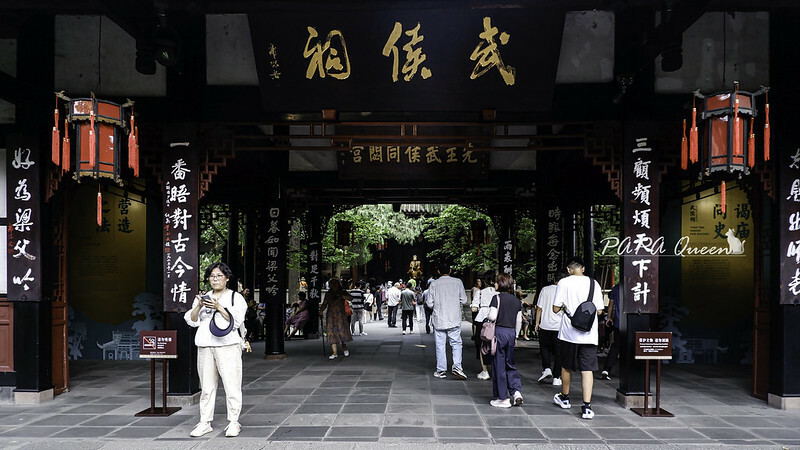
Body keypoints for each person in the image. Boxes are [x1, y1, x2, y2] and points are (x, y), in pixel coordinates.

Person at [183, 262, 247, 438]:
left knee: (232, 385)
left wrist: (219, 307)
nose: (215, 279)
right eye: (212, 276)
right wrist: (199, 305)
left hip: (228, 345)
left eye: (219, 275)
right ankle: (204, 422)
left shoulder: (236, 297)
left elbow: (237, 321)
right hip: (205, 345)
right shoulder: (204, 297)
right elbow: (192, 320)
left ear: (227, 278)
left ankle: (234, 422)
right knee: (206, 387)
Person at [552, 256, 604, 420]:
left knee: (566, 366)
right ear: (583, 268)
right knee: (587, 369)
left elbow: (555, 308)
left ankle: (565, 398)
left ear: (568, 269)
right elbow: (600, 311)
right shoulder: (593, 283)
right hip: (589, 335)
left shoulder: (564, 283)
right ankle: (587, 407)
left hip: (569, 333)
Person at [426, 263, 468, 379]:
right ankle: (457, 366)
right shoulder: (458, 282)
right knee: (456, 343)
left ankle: (441, 370)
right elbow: (464, 300)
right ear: (450, 270)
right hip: (454, 317)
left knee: (440, 345)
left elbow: (429, 303)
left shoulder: (434, 284)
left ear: (438, 271)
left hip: (439, 318)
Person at [487, 272, 523, 408]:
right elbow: (518, 320)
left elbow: (492, 316)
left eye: (496, 282)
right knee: (510, 364)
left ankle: (503, 398)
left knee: (499, 366)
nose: (494, 284)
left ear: (500, 283)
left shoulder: (496, 298)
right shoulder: (516, 301)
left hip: (499, 333)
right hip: (511, 333)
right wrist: (516, 336)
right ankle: (516, 392)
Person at [535, 272, 565, 386]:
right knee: (559, 352)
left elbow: (539, 308)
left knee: (544, 347)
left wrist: (537, 323)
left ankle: (547, 368)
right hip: (559, 326)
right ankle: (557, 377)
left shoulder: (545, 290)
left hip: (545, 324)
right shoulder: (565, 291)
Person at [319, 278, 353, 359]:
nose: (334, 285)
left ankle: (344, 347)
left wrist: (342, 295)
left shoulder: (342, 292)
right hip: (331, 315)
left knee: (341, 331)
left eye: (335, 283)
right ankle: (334, 352)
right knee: (331, 332)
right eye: (332, 283)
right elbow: (324, 303)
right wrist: (320, 311)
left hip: (340, 315)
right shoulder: (328, 294)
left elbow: (350, 298)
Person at [472, 273, 496, 381]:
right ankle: (496, 369)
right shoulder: (499, 293)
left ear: (484, 281)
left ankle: (485, 371)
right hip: (496, 320)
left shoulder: (480, 292)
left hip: (482, 320)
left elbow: (474, 309)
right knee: (495, 345)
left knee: (482, 345)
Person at [601, 283, 621, 380]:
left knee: (616, 346)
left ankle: (607, 369)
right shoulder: (636, 286)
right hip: (633, 322)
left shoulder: (616, 288)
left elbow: (611, 304)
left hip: (619, 321)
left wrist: (609, 317)